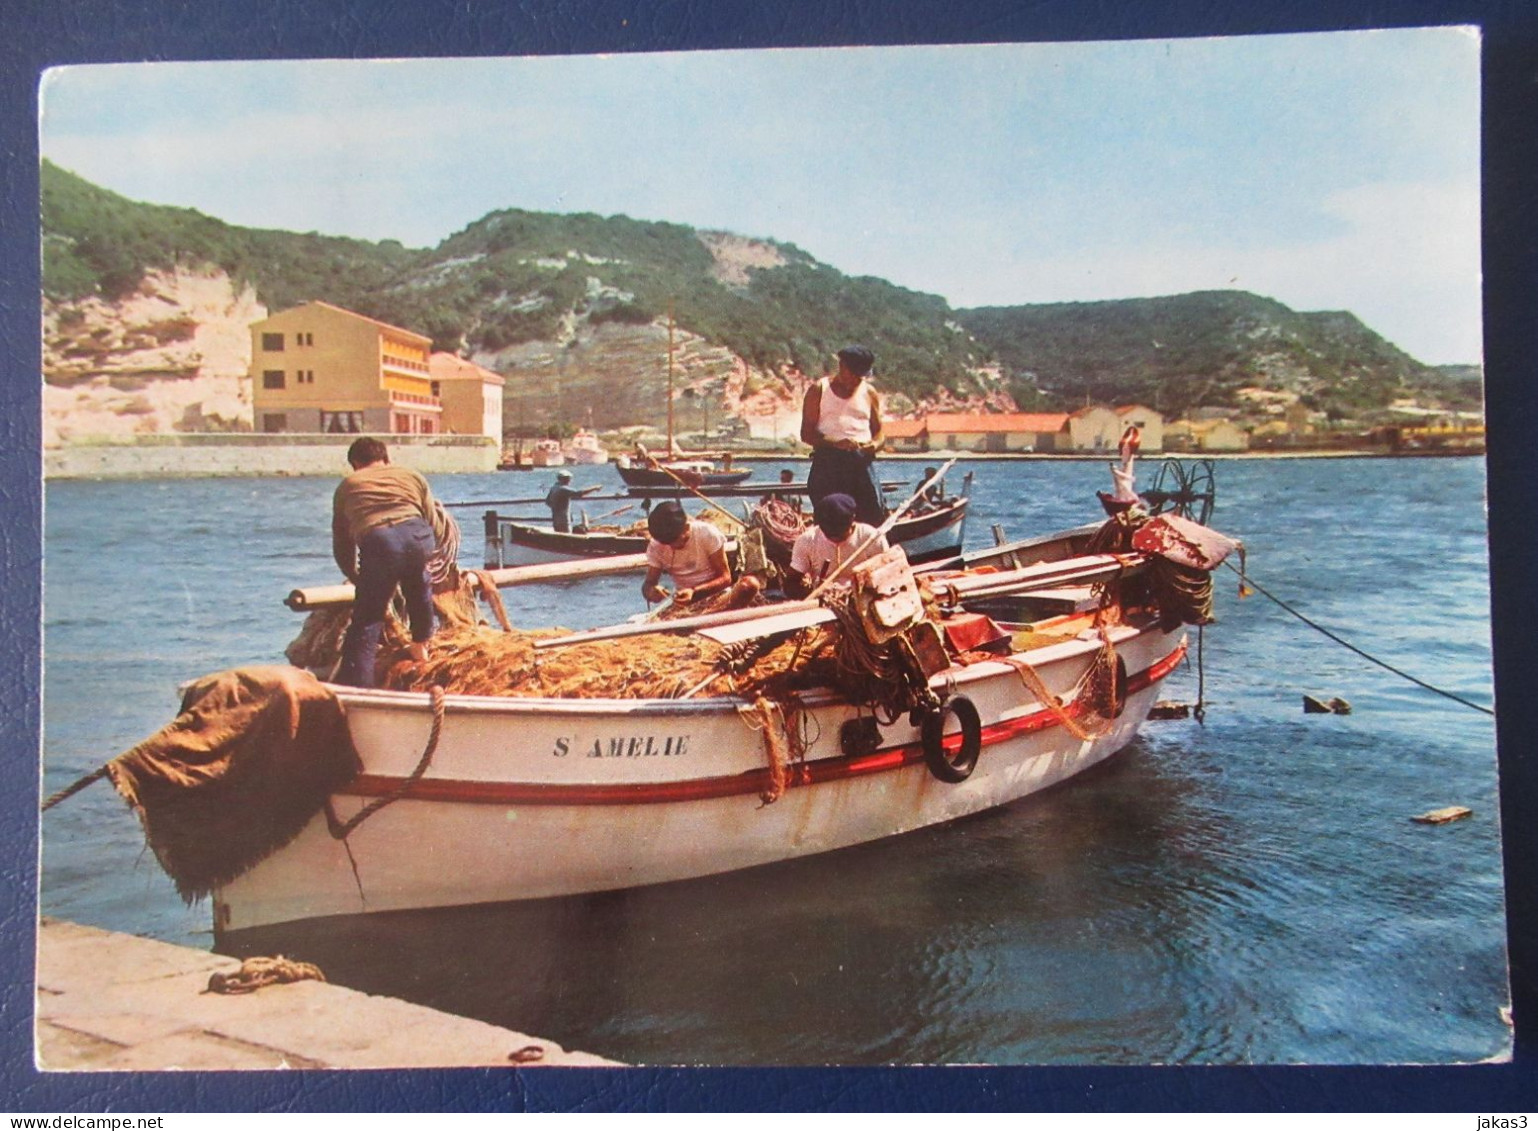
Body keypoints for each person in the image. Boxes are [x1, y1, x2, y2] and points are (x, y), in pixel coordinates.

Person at [331, 437, 449, 687]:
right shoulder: (412, 476)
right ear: (387, 458)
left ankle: (359, 688)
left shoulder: (348, 485)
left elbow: (342, 542)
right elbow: (434, 523)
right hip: (417, 535)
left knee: (367, 620)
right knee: (419, 589)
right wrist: (430, 553)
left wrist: (355, 576)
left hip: (380, 541)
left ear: (355, 463)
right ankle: (421, 647)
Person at [800, 344, 886, 525]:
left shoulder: (869, 393)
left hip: (862, 461)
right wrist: (835, 443)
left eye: (861, 376)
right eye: (853, 374)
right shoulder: (819, 390)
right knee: (831, 519)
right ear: (842, 366)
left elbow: (879, 433)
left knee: (873, 516)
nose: (856, 380)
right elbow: (806, 434)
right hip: (829, 464)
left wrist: (874, 445)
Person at [641, 501, 760, 608]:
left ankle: (702, 618)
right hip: (684, 602)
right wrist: (652, 591)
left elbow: (725, 578)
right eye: (666, 543)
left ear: (686, 528)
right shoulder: (657, 545)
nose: (671, 546)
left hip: (716, 596)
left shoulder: (706, 533)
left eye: (675, 541)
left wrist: (694, 592)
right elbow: (649, 584)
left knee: (750, 585)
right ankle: (705, 618)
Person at [784, 493, 891, 598]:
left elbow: (889, 577)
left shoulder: (872, 538)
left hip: (865, 598)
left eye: (839, 534)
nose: (834, 539)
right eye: (829, 534)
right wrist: (812, 592)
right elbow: (790, 585)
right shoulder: (807, 540)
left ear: (852, 521)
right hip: (824, 601)